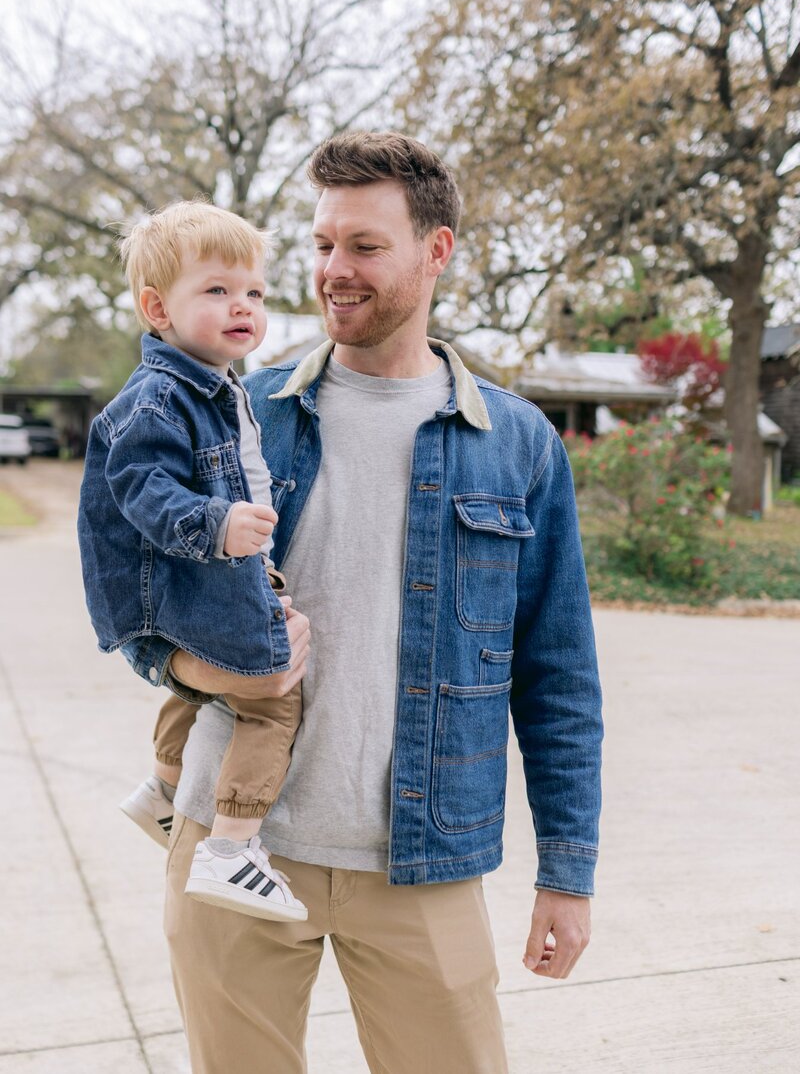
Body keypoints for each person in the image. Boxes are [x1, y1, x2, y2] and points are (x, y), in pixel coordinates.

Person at [124, 132, 603, 1074]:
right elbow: (137, 598)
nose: (333, 271)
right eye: (321, 244)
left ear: (437, 251)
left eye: (365, 247)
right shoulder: (234, 408)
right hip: (234, 852)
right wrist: (187, 665)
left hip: (422, 861)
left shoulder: (517, 444)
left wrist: (567, 873)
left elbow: (558, 676)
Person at [78, 201, 311, 924]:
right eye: (217, 291)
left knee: (206, 687)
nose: (242, 306)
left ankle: (160, 793)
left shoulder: (214, 385)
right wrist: (216, 525)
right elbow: (142, 489)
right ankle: (233, 848)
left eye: (255, 293)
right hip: (179, 580)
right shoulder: (158, 399)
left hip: (191, 584)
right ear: (157, 308)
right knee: (273, 701)